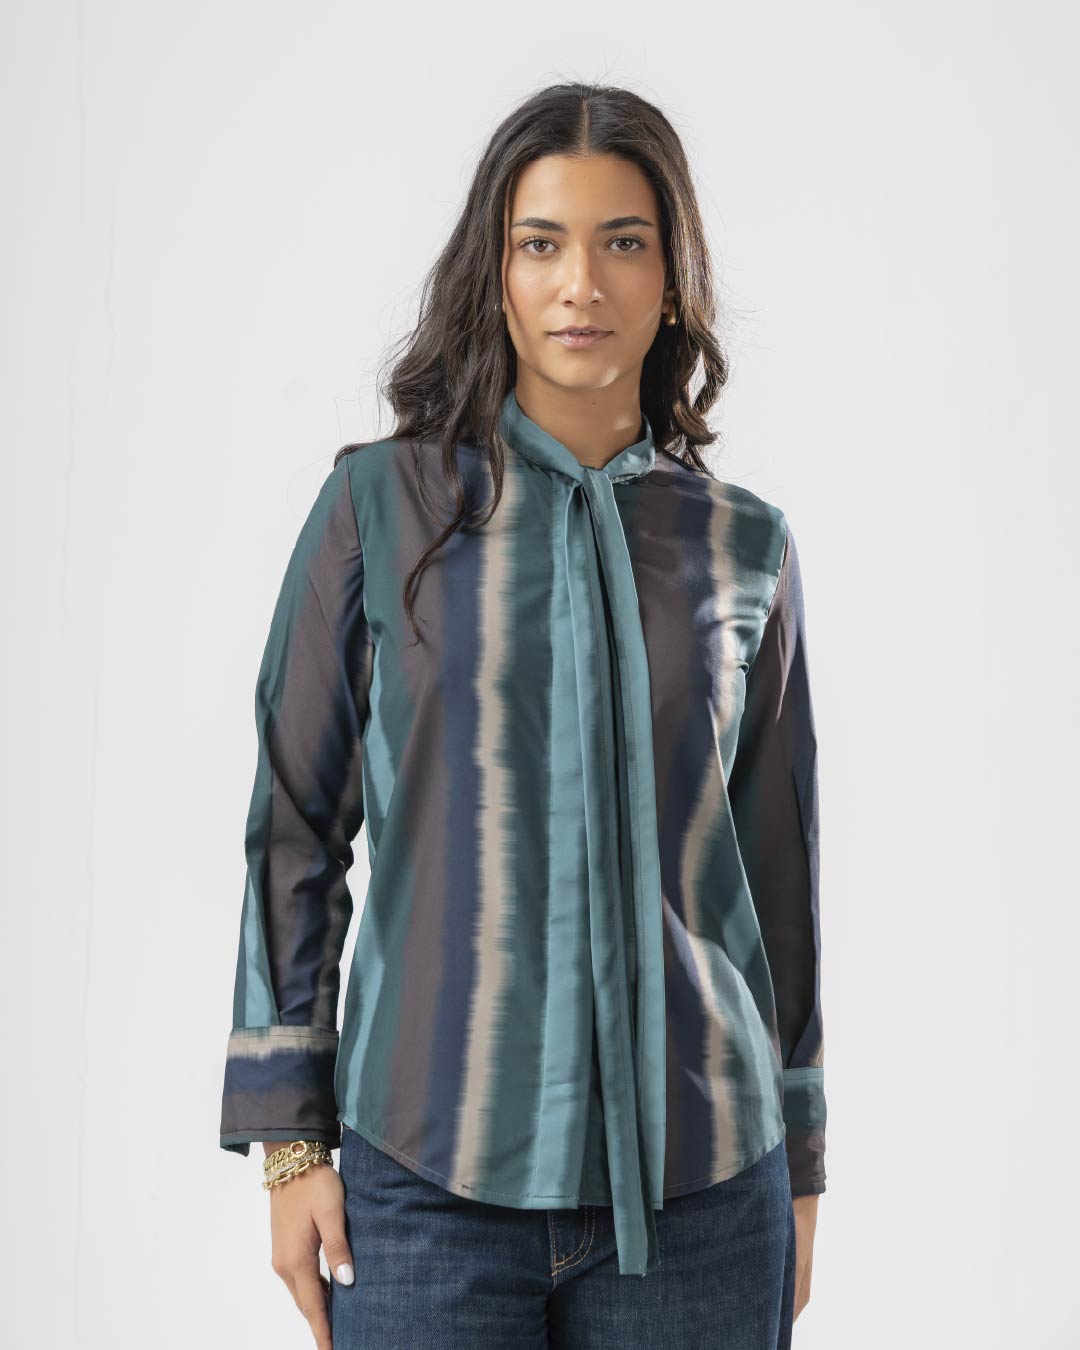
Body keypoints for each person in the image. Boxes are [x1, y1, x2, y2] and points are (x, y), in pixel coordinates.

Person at [219, 81, 826, 1350]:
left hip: (705, 1199)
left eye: (623, 242)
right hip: (423, 1192)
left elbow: (778, 870)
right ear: (493, 274)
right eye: (541, 243)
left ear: (673, 282)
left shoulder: (744, 547)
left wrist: (803, 1158)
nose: (580, 285)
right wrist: (290, 1145)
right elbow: (295, 828)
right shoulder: (379, 510)